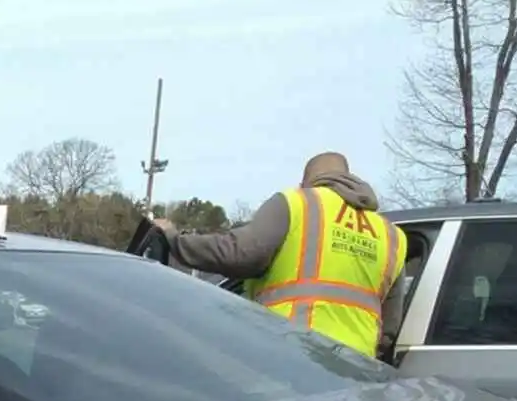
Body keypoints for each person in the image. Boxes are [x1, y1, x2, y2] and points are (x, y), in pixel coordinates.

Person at [153, 152, 408, 358]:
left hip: (294, 353)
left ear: (307, 182)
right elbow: (389, 328)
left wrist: (176, 241)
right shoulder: (392, 235)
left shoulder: (298, 203)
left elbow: (240, 253)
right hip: (356, 368)